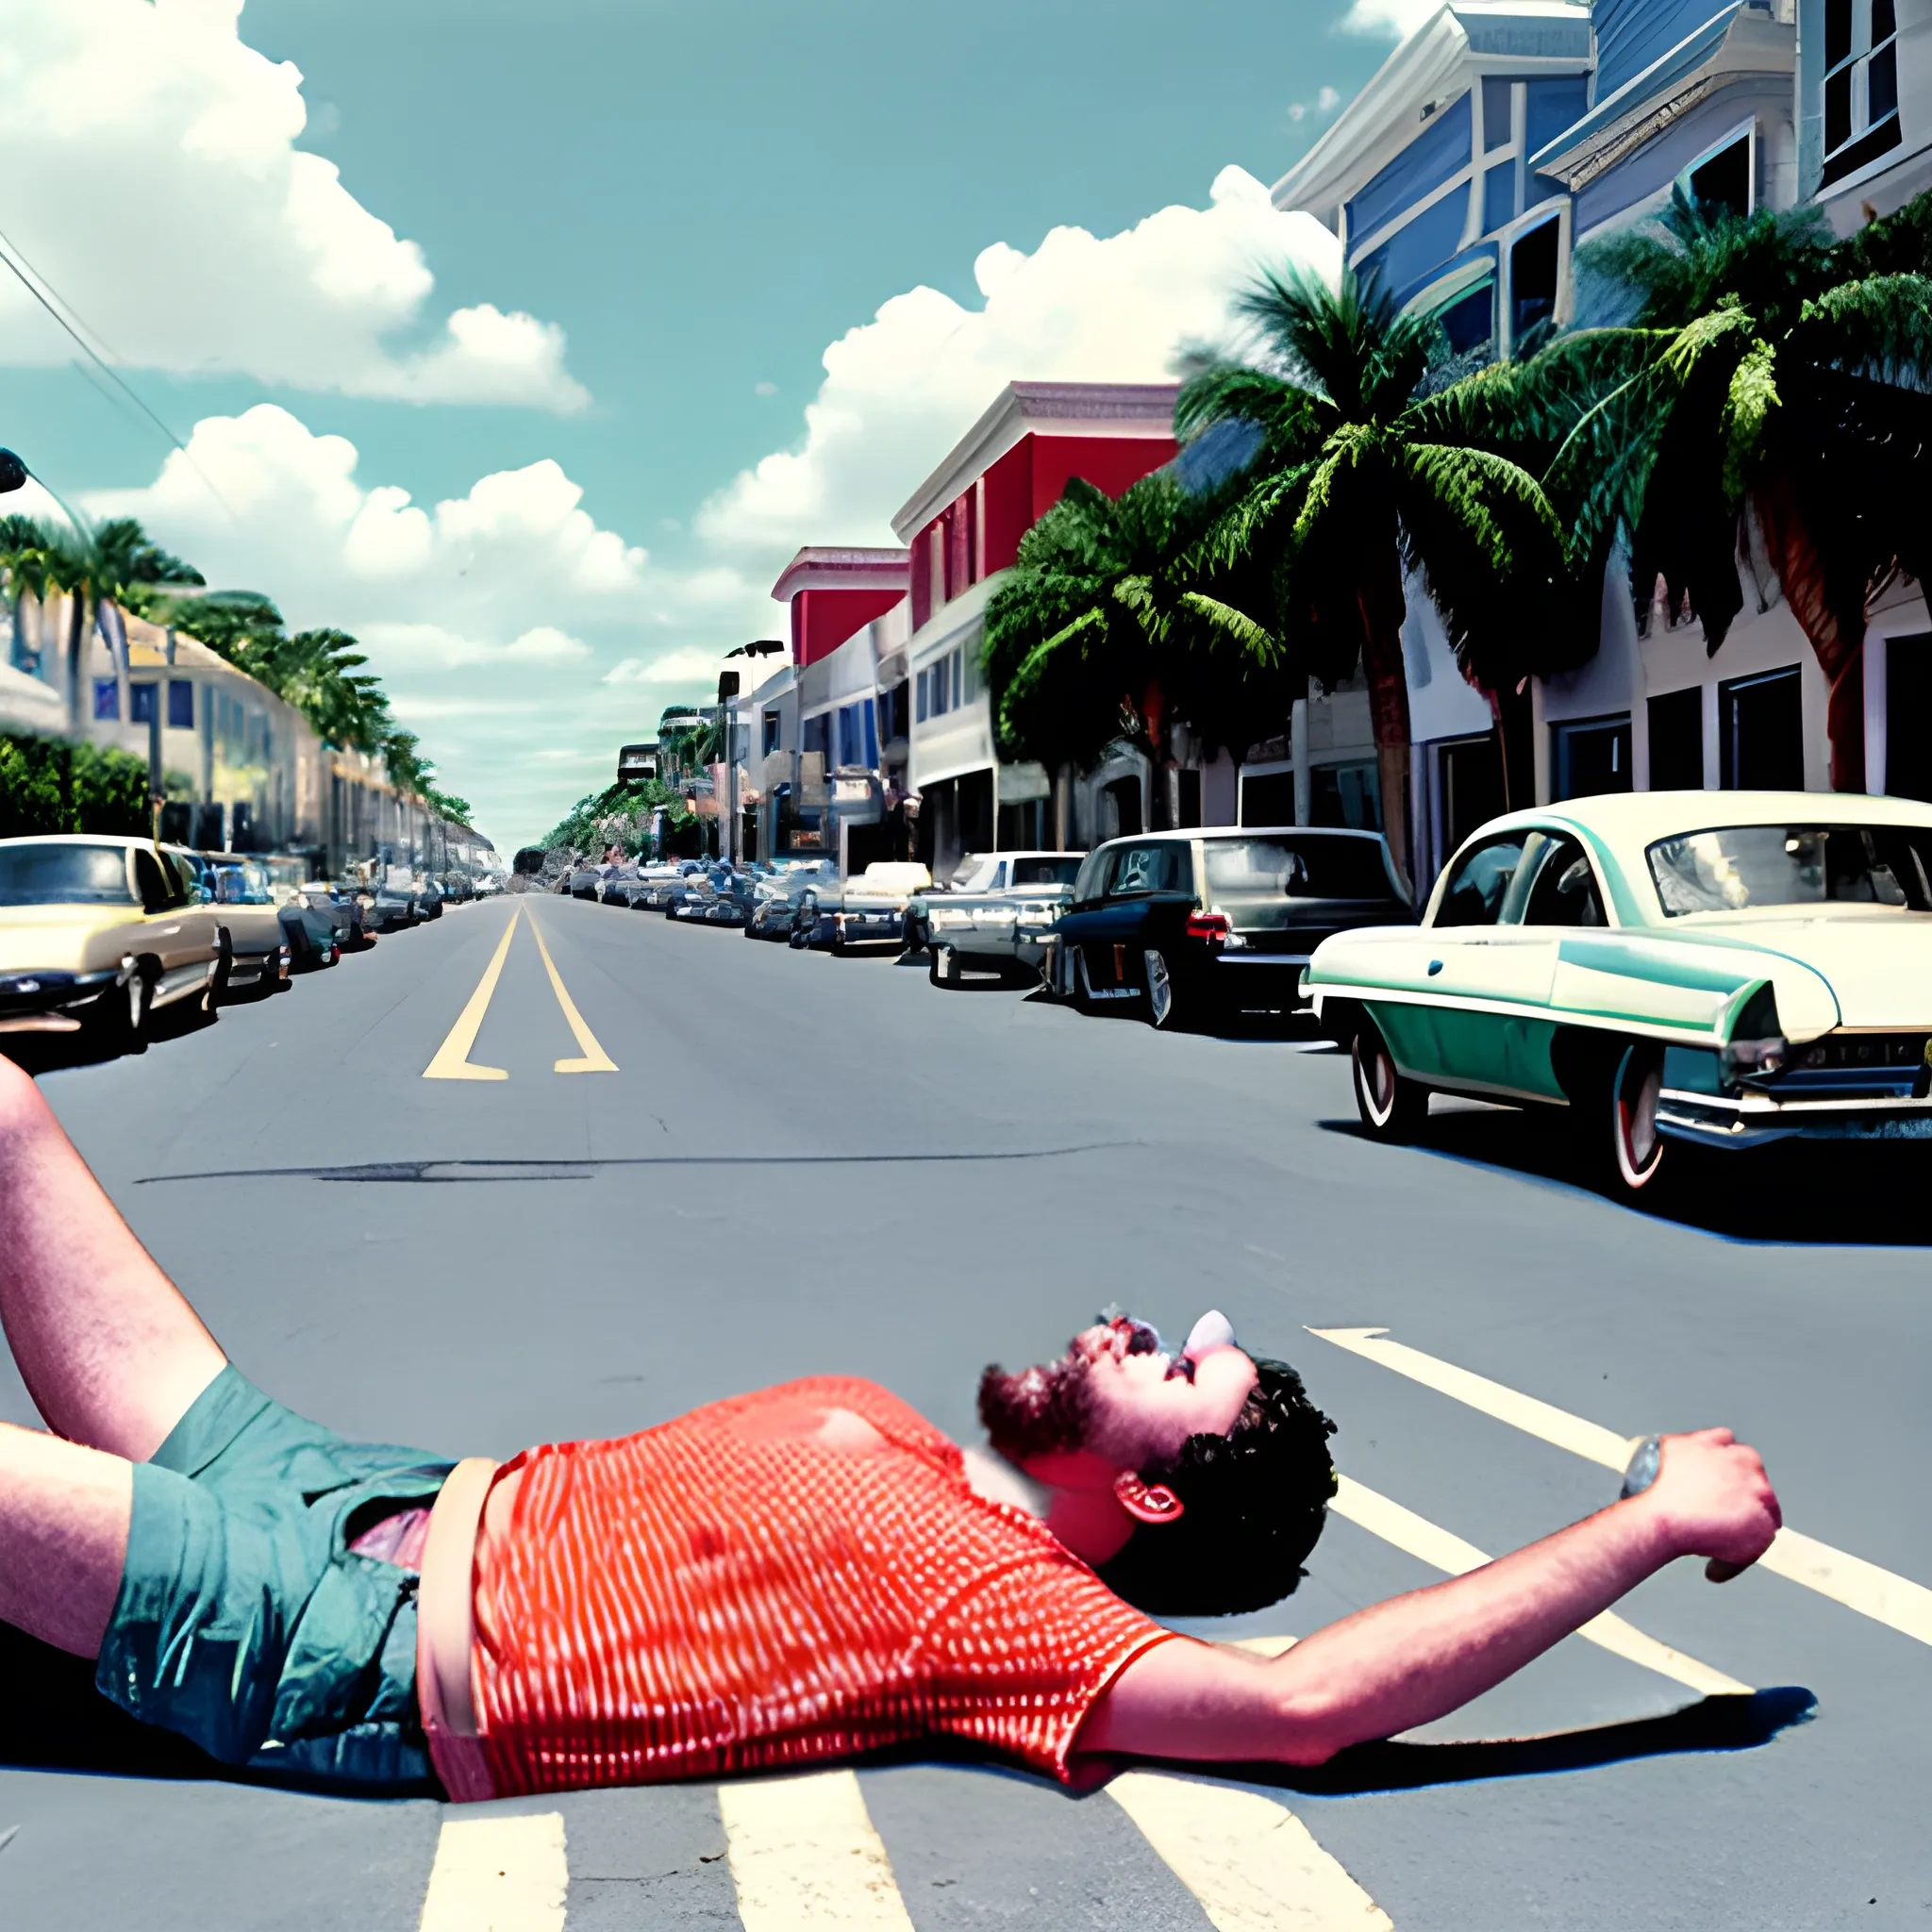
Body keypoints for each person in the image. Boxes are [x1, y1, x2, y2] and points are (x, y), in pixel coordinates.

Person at [0, 1054, 1782, 1800]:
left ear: (1150, 1501)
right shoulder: (937, 1479)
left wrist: (1644, 1519)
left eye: (1164, 1366)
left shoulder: (1018, 1620)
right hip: (332, 1478)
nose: (1126, 1323)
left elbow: (1310, 1705)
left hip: (341, 1641)